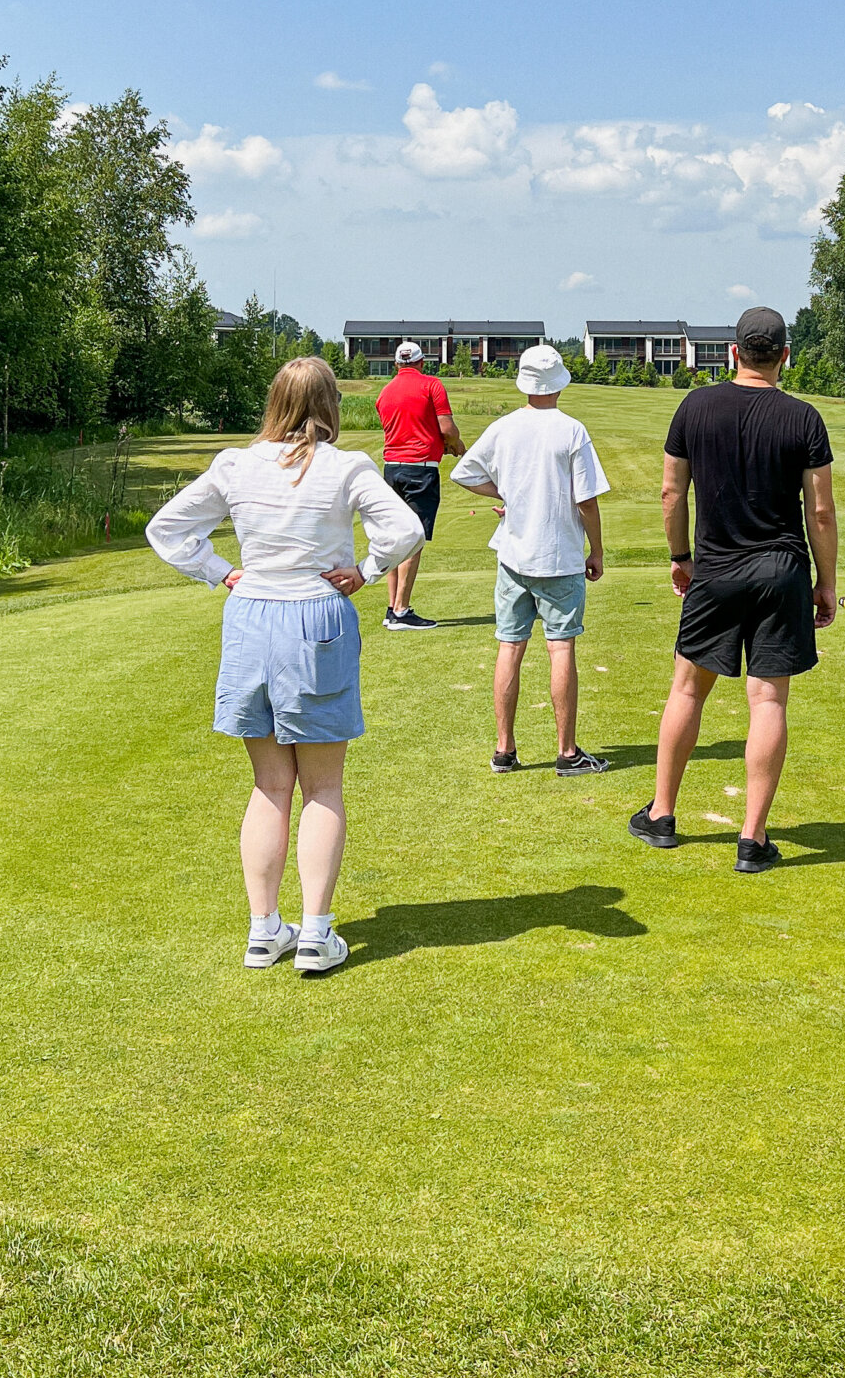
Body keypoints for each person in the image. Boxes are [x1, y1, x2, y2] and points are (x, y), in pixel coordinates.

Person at [146, 355, 423, 977]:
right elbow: (404, 528)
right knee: (322, 787)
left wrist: (220, 572)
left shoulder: (236, 464)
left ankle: (264, 930)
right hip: (316, 616)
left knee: (269, 785)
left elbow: (167, 529)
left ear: (275, 402)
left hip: (251, 618)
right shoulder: (346, 466)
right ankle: (315, 934)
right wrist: (367, 571)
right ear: (329, 405)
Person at [629, 305, 837, 872]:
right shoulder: (804, 418)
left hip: (715, 571)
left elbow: (672, 493)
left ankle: (662, 815)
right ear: (785, 356)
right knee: (768, 700)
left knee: (687, 691)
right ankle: (752, 837)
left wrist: (680, 558)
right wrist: (826, 583)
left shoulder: (694, 407)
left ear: (733, 353)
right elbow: (820, 512)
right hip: (781, 570)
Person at [450, 342, 612, 775]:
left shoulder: (504, 427)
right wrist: (596, 550)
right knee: (560, 648)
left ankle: (504, 750)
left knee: (510, 646)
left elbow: (464, 472)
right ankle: (567, 752)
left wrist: (507, 493)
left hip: (513, 554)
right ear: (559, 383)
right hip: (559, 556)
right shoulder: (572, 430)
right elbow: (586, 501)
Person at [374, 339, 467, 631]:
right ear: (421, 362)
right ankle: (401, 611)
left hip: (392, 469)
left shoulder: (385, 392)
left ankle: (392, 608)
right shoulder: (431, 385)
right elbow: (446, 428)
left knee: (395, 538)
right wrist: (456, 444)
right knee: (414, 539)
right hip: (421, 470)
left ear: (396, 364)